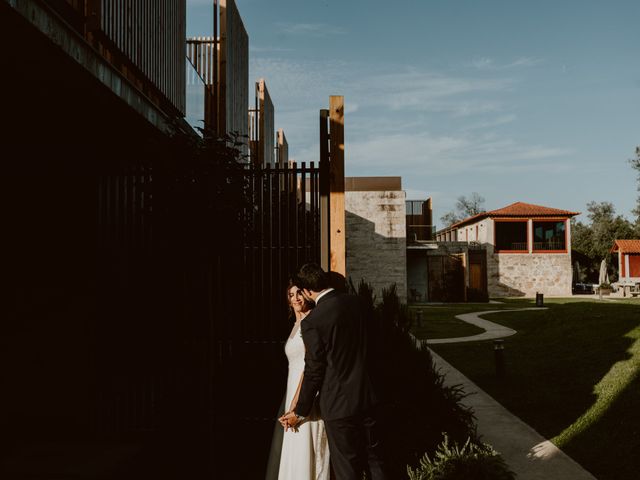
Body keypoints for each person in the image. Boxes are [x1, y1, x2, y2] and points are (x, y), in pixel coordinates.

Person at [280, 264, 388, 480]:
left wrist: (300, 411)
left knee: (347, 468)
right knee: (376, 461)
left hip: (339, 407)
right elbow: (379, 347)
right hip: (370, 398)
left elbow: (314, 370)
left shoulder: (314, 321)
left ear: (308, 290)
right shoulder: (360, 304)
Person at [268, 278, 330, 480]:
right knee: (292, 445)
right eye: (291, 295)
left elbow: (309, 366)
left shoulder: (311, 323)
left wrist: (297, 402)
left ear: (306, 294)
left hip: (304, 393)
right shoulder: (296, 325)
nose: (295, 298)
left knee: (305, 441)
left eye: (298, 293)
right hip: (291, 389)